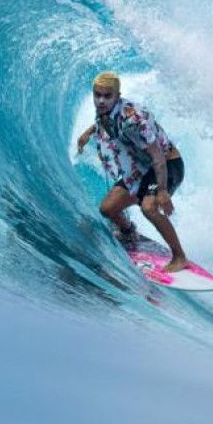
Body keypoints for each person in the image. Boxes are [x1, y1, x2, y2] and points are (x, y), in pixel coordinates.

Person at [76, 71, 190, 274]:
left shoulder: (135, 119)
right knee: (108, 209)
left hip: (167, 164)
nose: (101, 100)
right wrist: (88, 133)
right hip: (141, 169)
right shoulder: (106, 110)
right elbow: (107, 122)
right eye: (97, 95)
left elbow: (158, 156)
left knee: (149, 208)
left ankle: (180, 257)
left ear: (117, 96)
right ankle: (129, 232)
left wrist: (162, 191)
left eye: (107, 96)